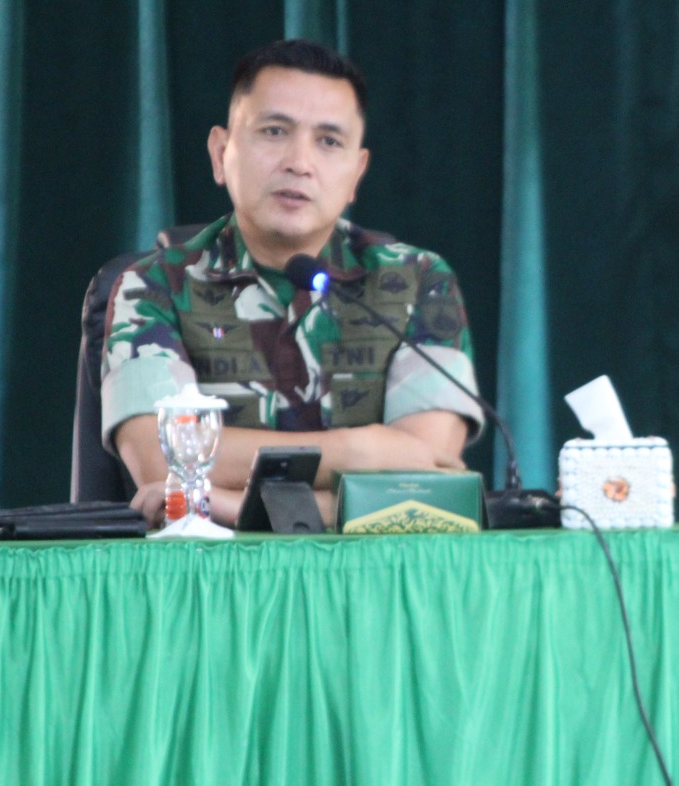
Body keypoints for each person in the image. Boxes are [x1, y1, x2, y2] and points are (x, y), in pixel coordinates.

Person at [101, 39, 482, 526]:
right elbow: (161, 460)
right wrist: (358, 451)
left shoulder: (420, 282)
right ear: (220, 153)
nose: (299, 162)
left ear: (356, 174)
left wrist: (236, 505)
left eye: (329, 141)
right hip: (208, 566)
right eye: (275, 131)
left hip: (374, 567)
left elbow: (425, 486)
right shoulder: (152, 286)